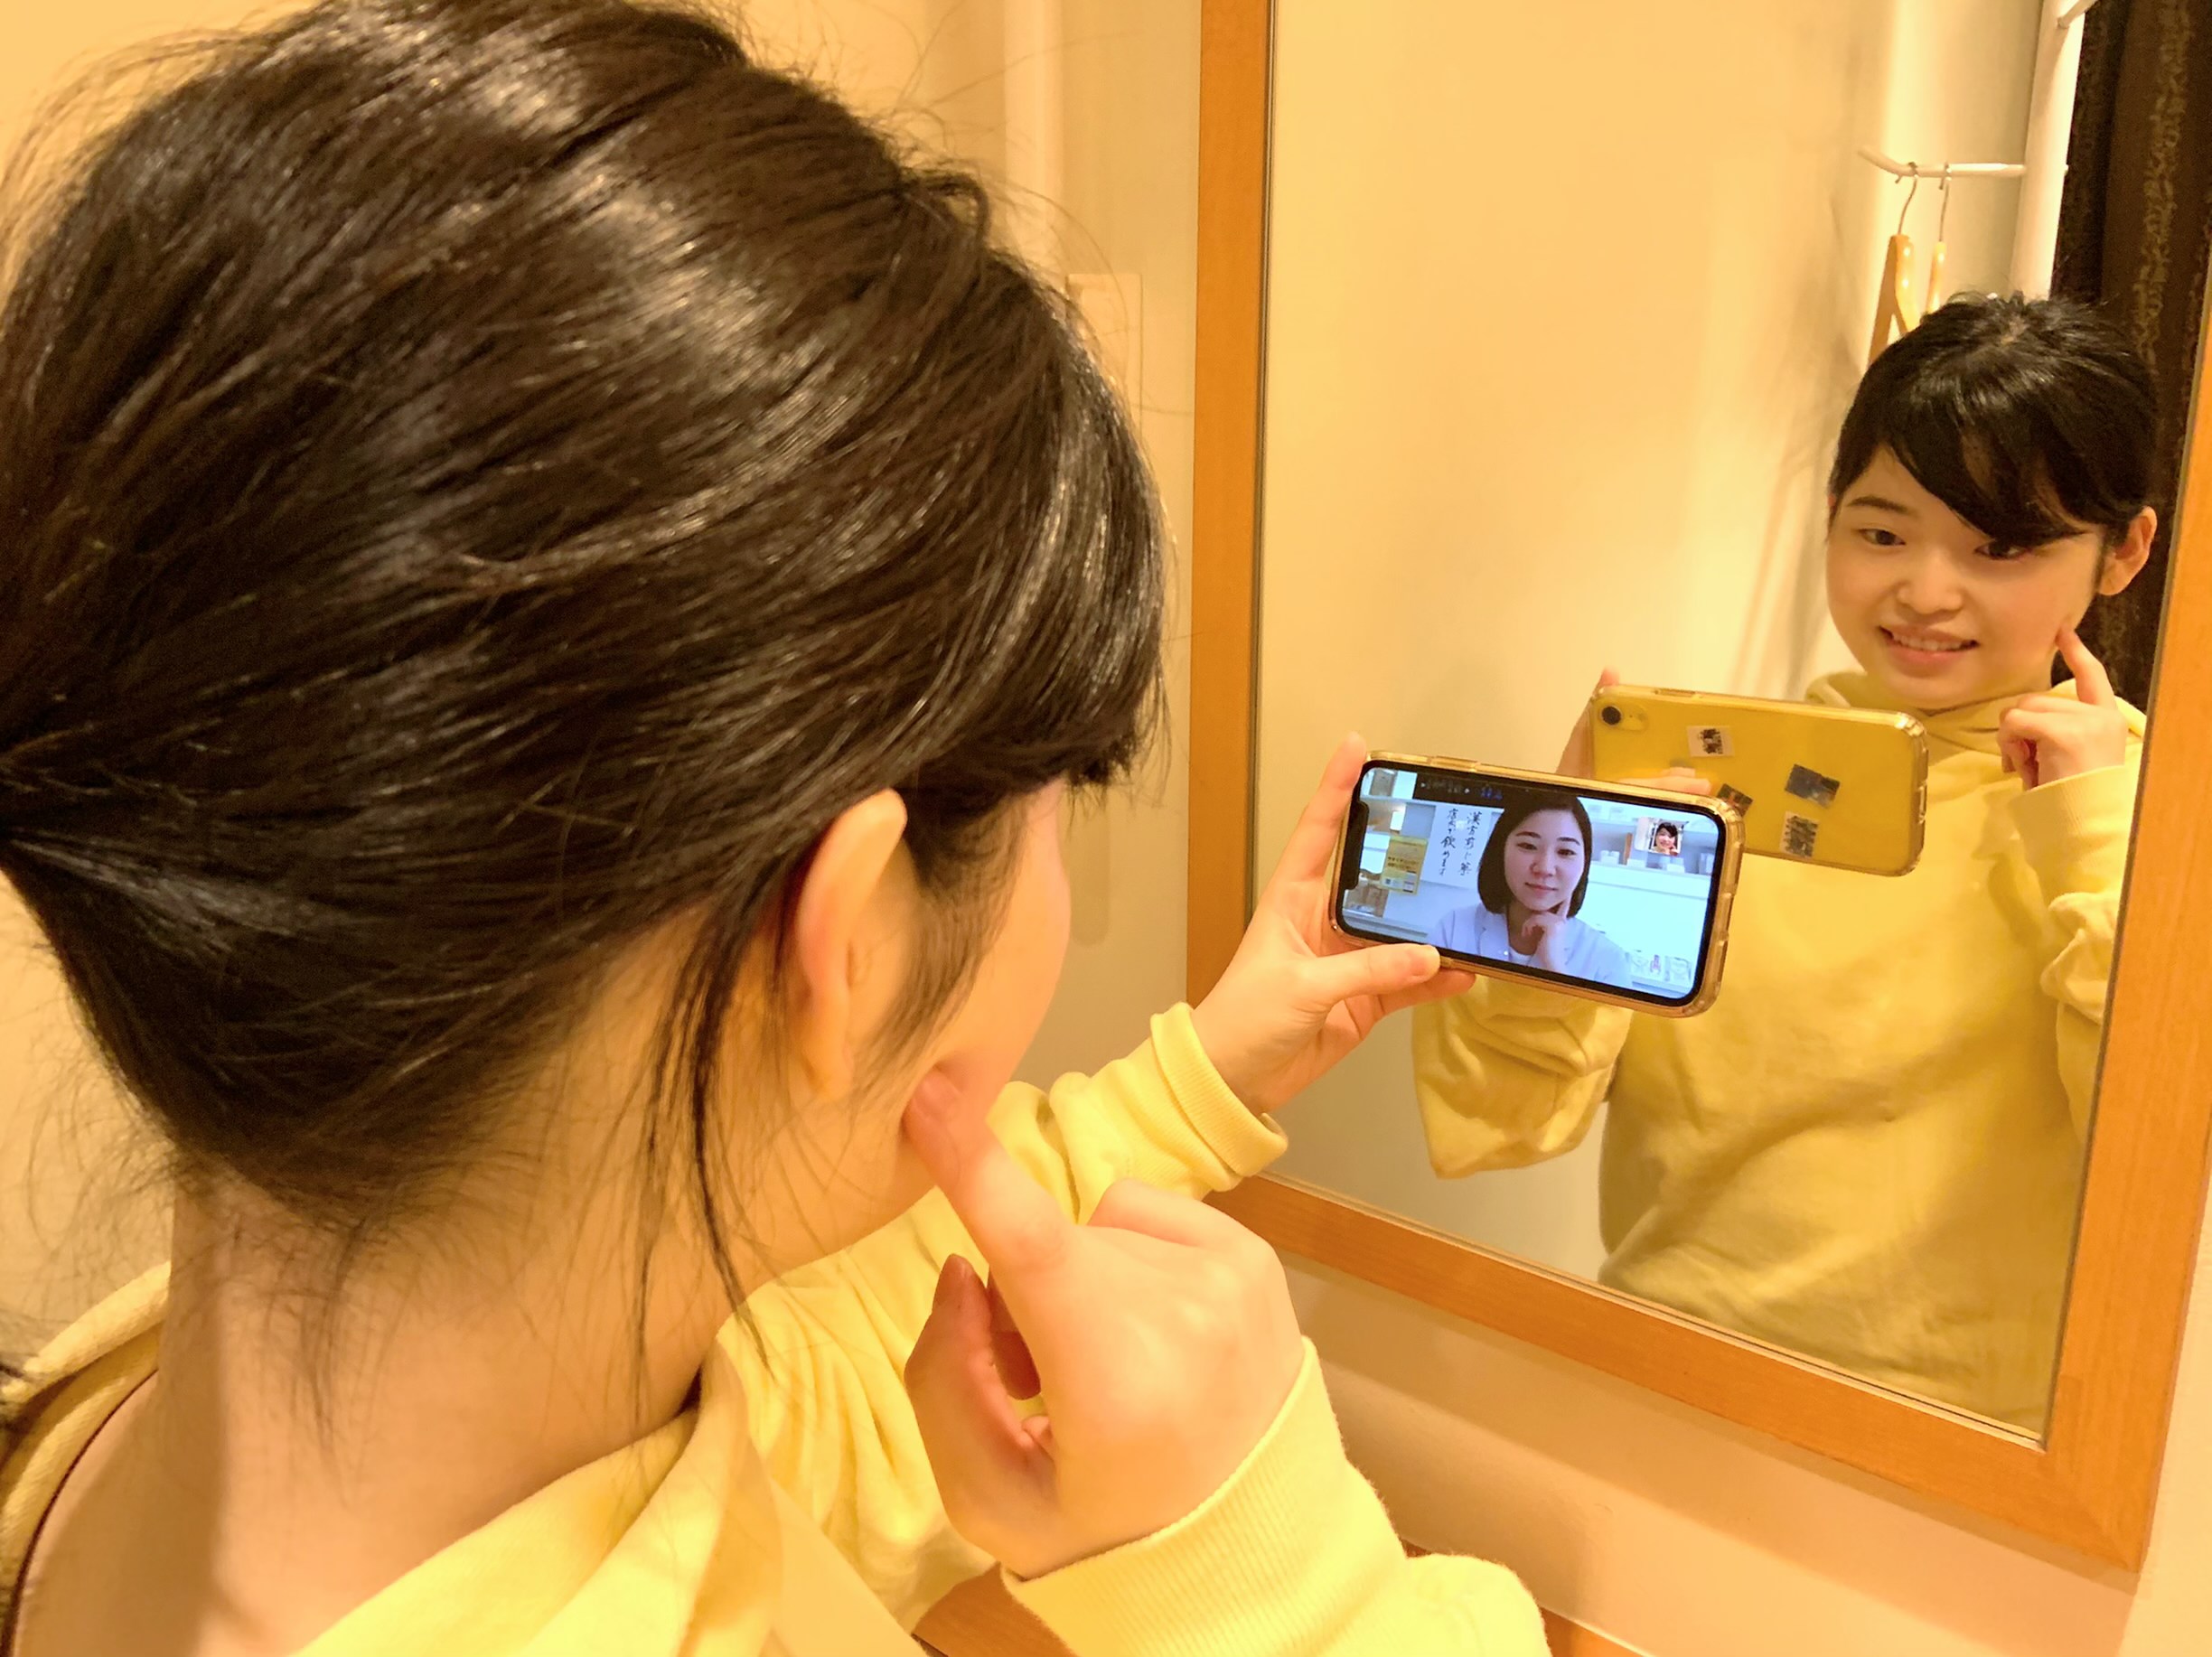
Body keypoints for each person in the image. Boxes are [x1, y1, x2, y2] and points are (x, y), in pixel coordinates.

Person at [0, 5, 1549, 1652]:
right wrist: (1287, 1585)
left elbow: (817, 1397)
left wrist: (1204, 1074)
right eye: (1059, 808)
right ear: (850, 928)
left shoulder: (166, 1401)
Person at [1411, 295, 2158, 1429]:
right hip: (1659, 1385)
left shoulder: (2147, 824)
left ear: (2125, 553)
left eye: (2001, 547)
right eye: (1883, 532)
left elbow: (2159, 1186)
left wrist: (2094, 836)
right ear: (1829, 520)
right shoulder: (1716, 787)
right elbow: (1501, 1116)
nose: (1926, 591)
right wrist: (1558, 864)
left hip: (1973, 1449)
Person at [1431, 793, 1636, 989]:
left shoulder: (1608, 961)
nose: (1545, 868)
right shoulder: (1454, 928)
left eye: (1565, 851)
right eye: (1528, 846)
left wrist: (1556, 968)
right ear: (1500, 851)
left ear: (1584, 863)